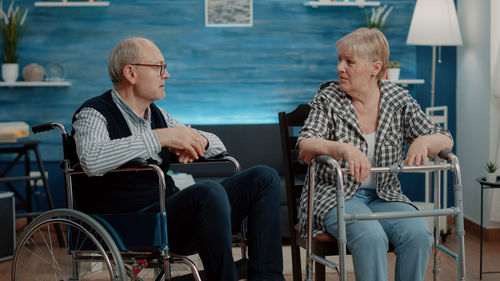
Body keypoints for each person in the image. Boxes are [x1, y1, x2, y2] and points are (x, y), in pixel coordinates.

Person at [71, 37, 285, 281]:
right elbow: (92, 159)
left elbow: (217, 144)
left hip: (168, 215)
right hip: (129, 223)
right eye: (159, 67)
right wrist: (160, 138)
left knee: (264, 177)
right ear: (131, 72)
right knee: (208, 192)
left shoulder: (157, 115)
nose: (167, 74)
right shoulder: (93, 113)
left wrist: (196, 141)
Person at [297, 28, 453, 281]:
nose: (340, 68)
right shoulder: (328, 98)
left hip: (386, 195)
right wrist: (342, 148)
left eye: (349, 61)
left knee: (419, 235)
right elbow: (305, 145)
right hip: (336, 197)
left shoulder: (398, 99)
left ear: (375, 67)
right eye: (339, 60)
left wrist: (424, 140)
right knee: (371, 236)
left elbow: (445, 138)